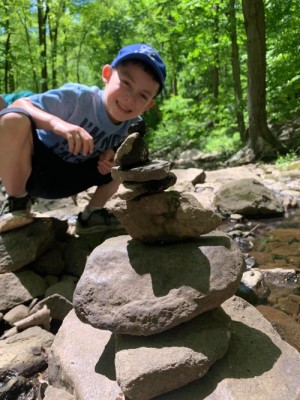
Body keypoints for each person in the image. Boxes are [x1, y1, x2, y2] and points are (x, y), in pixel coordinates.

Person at [0, 43, 166, 234]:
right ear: (107, 75)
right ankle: (17, 201)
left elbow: (122, 159)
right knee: (12, 119)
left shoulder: (134, 125)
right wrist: (57, 124)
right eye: (126, 83)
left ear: (149, 105)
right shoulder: (79, 98)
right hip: (34, 171)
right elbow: (20, 104)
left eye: (143, 95)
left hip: (73, 179)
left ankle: (92, 214)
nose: (130, 97)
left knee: (130, 159)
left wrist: (111, 160)